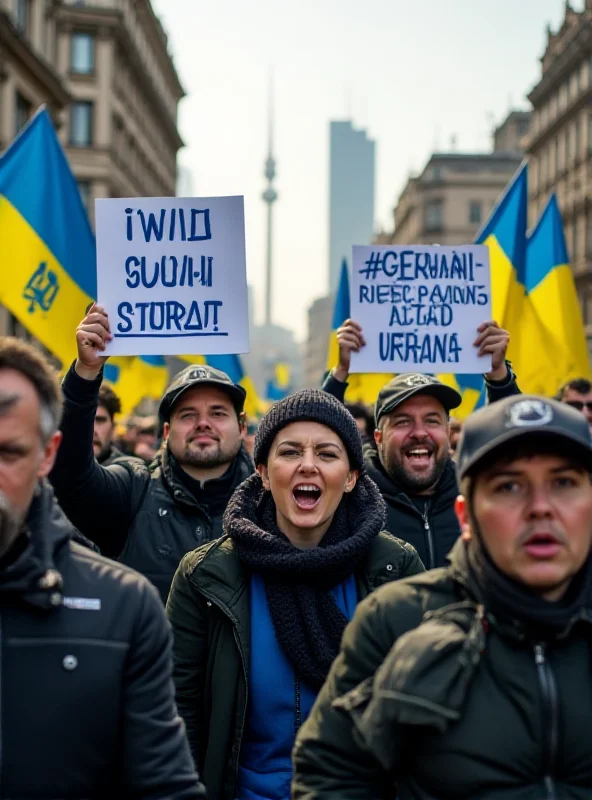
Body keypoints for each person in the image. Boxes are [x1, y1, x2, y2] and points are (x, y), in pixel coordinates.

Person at [292, 394, 592, 799]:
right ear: (466, 517)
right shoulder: (396, 620)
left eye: (564, 483)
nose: (541, 508)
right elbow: (331, 777)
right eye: (509, 487)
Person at [166, 390, 425, 800]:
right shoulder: (207, 575)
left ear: (352, 476)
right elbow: (178, 712)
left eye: (326, 454)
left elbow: (421, 714)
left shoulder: (394, 569)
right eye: (290, 452)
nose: (308, 465)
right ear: (265, 474)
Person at [0, 336, 204, 798]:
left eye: (9, 453)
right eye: (189, 414)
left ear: (45, 455)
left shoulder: (122, 605)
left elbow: (163, 784)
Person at [49, 304, 254, 602]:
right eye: (188, 415)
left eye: (218, 412)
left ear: (242, 426)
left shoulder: (269, 503)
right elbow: (70, 477)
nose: (203, 424)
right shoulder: (133, 490)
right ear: (167, 433)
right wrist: (86, 372)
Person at [322, 318, 520, 568]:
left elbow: (519, 449)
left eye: (432, 421)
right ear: (378, 437)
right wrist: (340, 372)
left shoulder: (476, 492)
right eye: (403, 422)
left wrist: (499, 376)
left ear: (448, 433)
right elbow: (317, 437)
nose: (419, 432)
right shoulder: (349, 499)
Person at [94, 383, 124, 465]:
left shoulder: (132, 474)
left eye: (99, 420)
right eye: (84, 421)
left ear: (113, 427)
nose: (92, 430)